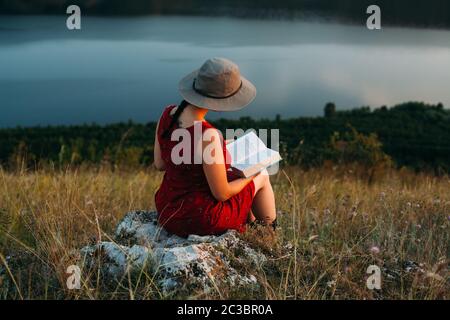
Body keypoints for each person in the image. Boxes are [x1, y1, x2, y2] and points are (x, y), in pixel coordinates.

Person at [154, 57, 276, 237]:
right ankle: (270, 236)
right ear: (220, 103)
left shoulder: (167, 114)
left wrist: (218, 147)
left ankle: (251, 224)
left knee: (241, 181)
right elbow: (222, 194)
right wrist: (252, 175)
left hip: (167, 210)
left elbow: (160, 164)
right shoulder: (209, 135)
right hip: (200, 219)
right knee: (263, 176)